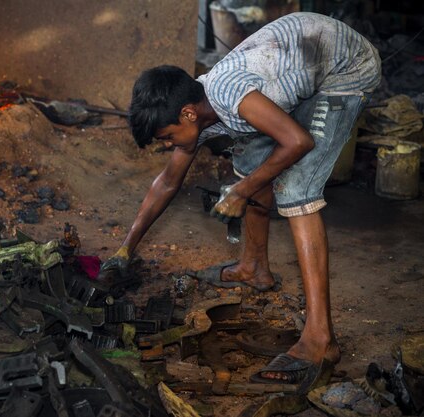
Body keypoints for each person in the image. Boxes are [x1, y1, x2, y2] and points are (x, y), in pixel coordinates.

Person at [99, 12, 380, 385]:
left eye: (166, 137)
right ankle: (254, 269)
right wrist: (125, 250)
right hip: (304, 61)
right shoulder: (198, 107)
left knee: (295, 188)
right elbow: (167, 182)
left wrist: (241, 192)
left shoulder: (229, 95)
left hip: (345, 68)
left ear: (187, 114)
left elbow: (298, 141)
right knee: (249, 159)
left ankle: (320, 340)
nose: (167, 146)